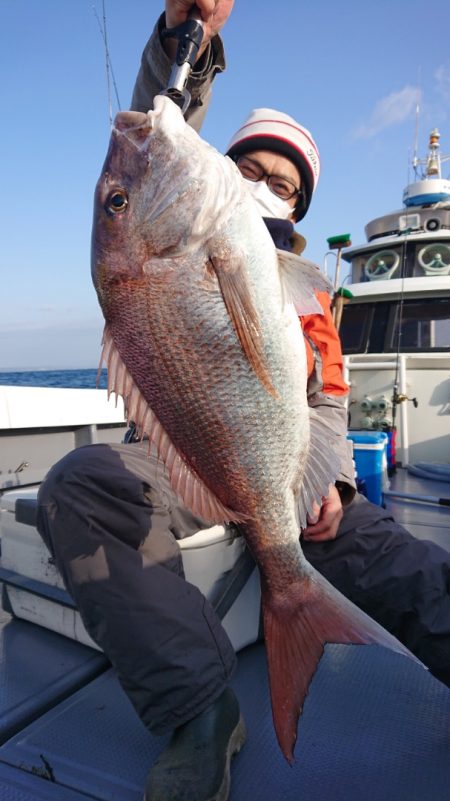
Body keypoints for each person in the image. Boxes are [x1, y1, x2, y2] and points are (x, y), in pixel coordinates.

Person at [37, 2, 450, 800]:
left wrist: (323, 485)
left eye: (284, 185)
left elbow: (328, 397)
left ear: (300, 210)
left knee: (402, 562)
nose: (263, 188)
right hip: (184, 459)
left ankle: (308, 585)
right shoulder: (181, 223)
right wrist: (185, 35)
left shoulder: (303, 288)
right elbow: (163, 122)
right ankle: (199, 711)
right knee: (79, 484)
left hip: (290, 475)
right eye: (251, 170)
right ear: (222, 167)